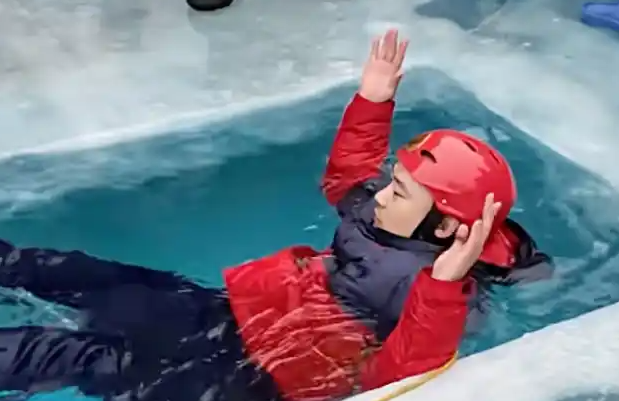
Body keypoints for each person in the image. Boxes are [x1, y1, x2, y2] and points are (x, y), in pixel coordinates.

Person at [0, 30, 551, 401]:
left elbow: (397, 374)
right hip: (237, 313)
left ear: (447, 225)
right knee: (97, 279)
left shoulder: (440, 291)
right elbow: (348, 178)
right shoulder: (389, 215)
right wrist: (373, 101)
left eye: (400, 192)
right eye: (393, 181)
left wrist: (443, 288)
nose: (383, 195)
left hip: (254, 380)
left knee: (77, 355)